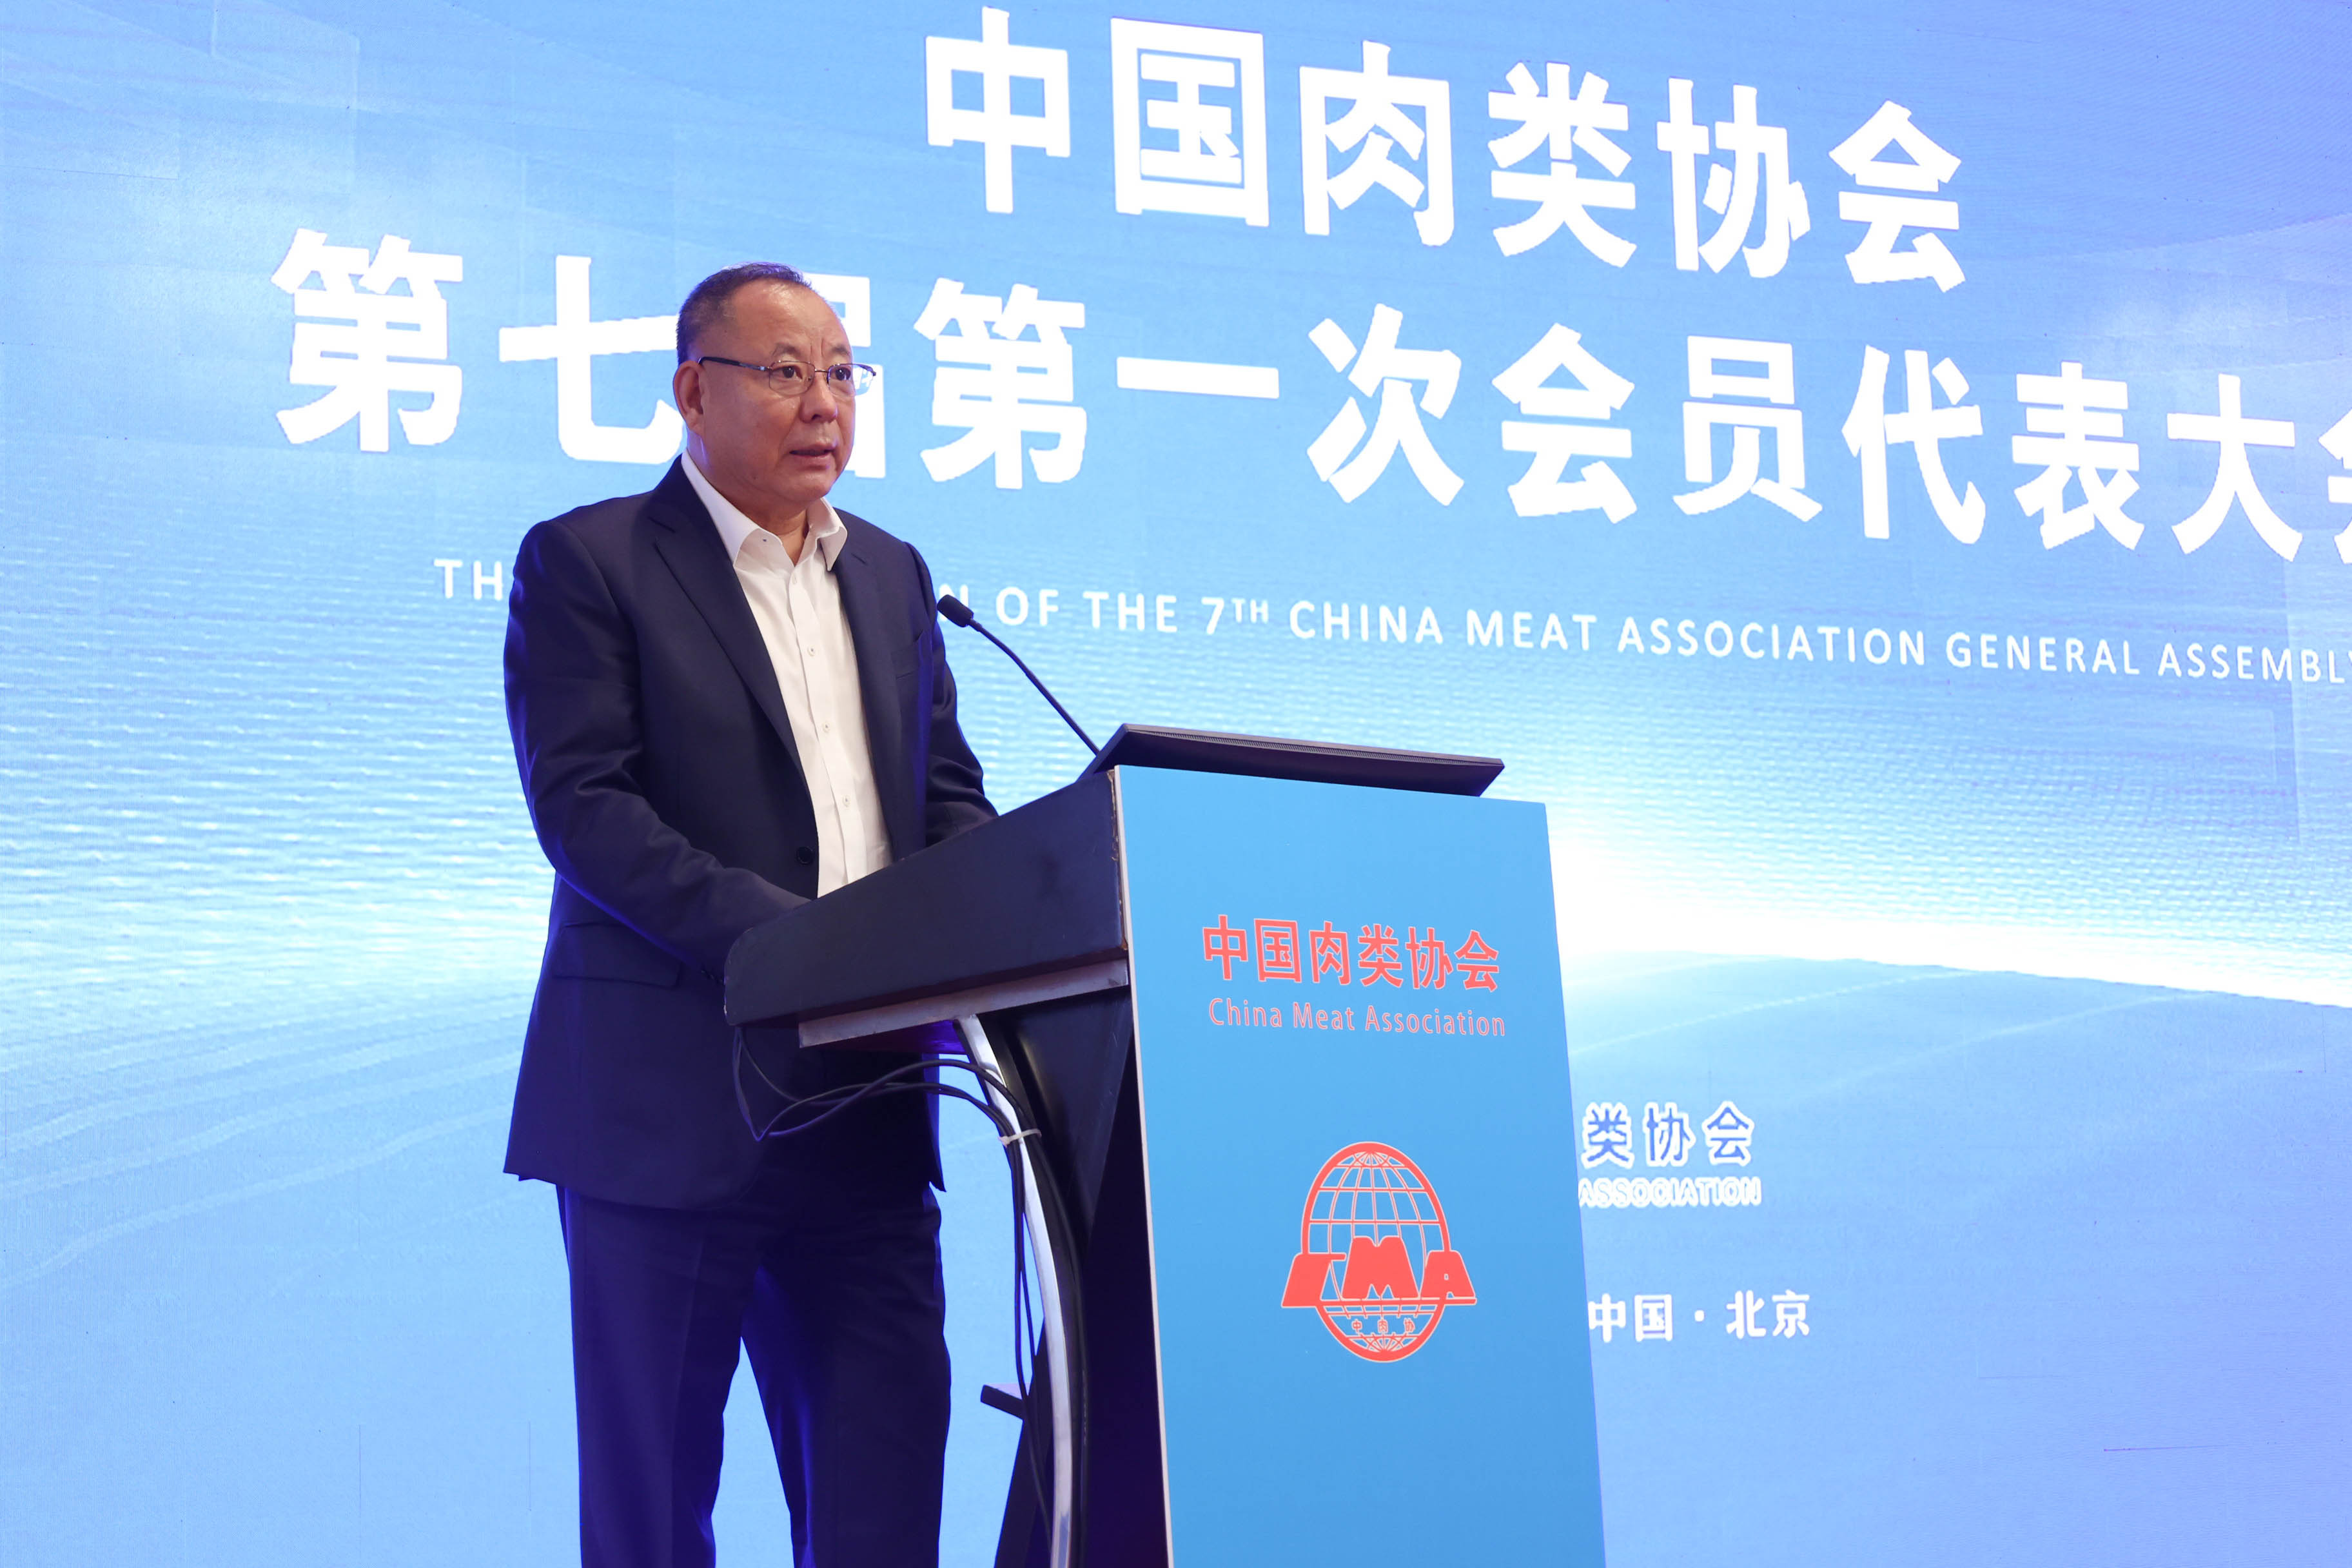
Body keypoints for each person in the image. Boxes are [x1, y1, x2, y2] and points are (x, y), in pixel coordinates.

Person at [500, 261, 995, 1567]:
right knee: (656, 1515)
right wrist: (804, 950)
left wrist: (1018, 916)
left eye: (842, 372)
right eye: (785, 372)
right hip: (668, 1116)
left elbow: (945, 801)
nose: (823, 401)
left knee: (885, 1504)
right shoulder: (591, 561)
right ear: (692, 392)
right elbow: (588, 810)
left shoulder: (892, 576)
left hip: (870, 1113)